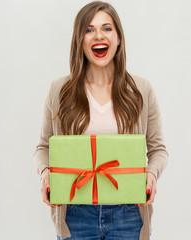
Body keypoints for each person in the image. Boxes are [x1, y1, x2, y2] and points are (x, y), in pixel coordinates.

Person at [33, 1, 168, 239]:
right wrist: (45, 173)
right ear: (80, 40)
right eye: (89, 29)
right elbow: (43, 147)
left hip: (129, 213)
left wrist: (152, 175)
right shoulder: (58, 90)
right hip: (75, 214)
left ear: (118, 38)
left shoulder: (142, 89)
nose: (98, 36)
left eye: (107, 28)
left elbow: (158, 150)